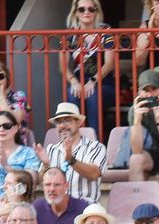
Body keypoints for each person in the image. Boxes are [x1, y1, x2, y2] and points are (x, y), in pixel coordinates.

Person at [35, 101, 105, 206]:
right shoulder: (51, 149)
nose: (62, 125)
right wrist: (45, 165)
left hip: (85, 207)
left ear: (79, 123)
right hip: (57, 208)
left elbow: (93, 174)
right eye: (59, 122)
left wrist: (71, 160)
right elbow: (40, 181)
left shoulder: (95, 147)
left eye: (67, 120)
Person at [61, 0, 116, 132]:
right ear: (75, 12)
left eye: (91, 9)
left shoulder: (106, 31)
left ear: (96, 11)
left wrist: (93, 81)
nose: (86, 12)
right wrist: (73, 81)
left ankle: (94, 143)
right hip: (79, 81)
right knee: (71, 93)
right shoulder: (70, 35)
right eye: (82, 9)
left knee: (93, 95)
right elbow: (63, 66)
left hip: (104, 82)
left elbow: (109, 64)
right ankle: (74, 140)